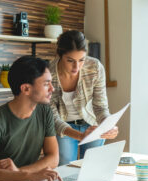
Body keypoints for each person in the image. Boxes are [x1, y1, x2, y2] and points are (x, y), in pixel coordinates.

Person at [0, 56, 61, 181]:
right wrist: (28, 176)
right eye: (46, 84)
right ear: (26, 89)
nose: (52, 89)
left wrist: (20, 173)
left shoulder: (45, 111)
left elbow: (53, 158)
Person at [49, 30, 119, 166]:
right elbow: (53, 117)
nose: (77, 67)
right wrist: (80, 135)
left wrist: (108, 124)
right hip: (64, 127)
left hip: (92, 124)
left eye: (81, 60)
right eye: (70, 61)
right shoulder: (48, 74)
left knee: (92, 168)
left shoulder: (95, 67)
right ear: (59, 55)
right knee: (65, 168)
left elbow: (100, 107)